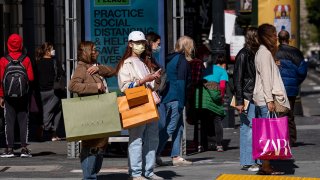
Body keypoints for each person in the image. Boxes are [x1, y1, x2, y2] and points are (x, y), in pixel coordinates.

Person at [117, 31, 163, 180]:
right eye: (137, 43)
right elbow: (124, 87)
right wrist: (144, 80)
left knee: (152, 138)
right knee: (136, 139)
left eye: (142, 43)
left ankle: (148, 170)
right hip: (136, 103)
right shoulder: (126, 63)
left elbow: (152, 85)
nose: (141, 46)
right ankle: (136, 173)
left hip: (149, 103)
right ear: (130, 44)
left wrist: (155, 79)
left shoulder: (143, 62)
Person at [69, 41, 115, 180]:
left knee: (100, 145)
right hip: (90, 111)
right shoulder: (82, 68)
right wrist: (95, 86)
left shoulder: (94, 66)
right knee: (91, 146)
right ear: (87, 52)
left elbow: (113, 71)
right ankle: (89, 177)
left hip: (100, 110)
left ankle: (91, 174)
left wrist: (99, 69)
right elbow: (73, 86)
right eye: (94, 50)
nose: (97, 52)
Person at [253, 24, 290, 175]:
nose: (276, 37)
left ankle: (266, 165)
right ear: (267, 36)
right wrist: (269, 100)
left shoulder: (264, 53)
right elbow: (266, 79)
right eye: (273, 34)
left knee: (266, 133)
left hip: (262, 97)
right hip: (265, 98)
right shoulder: (264, 54)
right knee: (267, 134)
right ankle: (266, 166)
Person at [156, 36, 193, 166]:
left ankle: (176, 156)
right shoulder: (182, 61)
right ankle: (154, 153)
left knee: (178, 127)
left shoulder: (171, 58)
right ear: (187, 47)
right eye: (191, 46)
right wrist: (182, 102)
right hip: (176, 97)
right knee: (170, 128)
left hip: (167, 96)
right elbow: (181, 82)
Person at [0, 34, 34, 158]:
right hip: (23, 96)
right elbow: (30, 78)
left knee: (8, 122)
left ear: (8, 44)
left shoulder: (3, 60)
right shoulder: (26, 59)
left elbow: (1, 80)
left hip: (8, 97)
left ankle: (9, 149)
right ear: (20, 44)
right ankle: (24, 148)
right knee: (23, 121)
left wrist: (1, 96)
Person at [233, 27, 260, 171]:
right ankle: (248, 161)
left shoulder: (257, 53)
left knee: (255, 128)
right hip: (247, 96)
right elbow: (237, 79)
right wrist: (239, 101)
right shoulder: (243, 54)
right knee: (247, 128)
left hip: (256, 95)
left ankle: (257, 160)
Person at [276, 30, 308, 146]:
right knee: (290, 114)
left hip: (279, 89)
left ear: (278, 39)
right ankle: (291, 139)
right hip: (292, 89)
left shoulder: (275, 52)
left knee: (281, 114)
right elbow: (303, 71)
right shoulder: (297, 53)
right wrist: (295, 82)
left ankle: (282, 139)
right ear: (288, 38)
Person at [35, 42, 63, 141]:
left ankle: (53, 134)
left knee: (47, 110)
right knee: (54, 111)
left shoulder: (37, 62)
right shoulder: (55, 62)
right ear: (47, 51)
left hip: (40, 91)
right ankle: (45, 127)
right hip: (53, 91)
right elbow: (62, 74)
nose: (53, 51)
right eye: (52, 49)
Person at [200, 54, 228, 152]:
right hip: (214, 96)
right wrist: (221, 96)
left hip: (203, 97)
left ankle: (203, 145)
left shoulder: (208, 69)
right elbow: (223, 85)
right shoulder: (223, 71)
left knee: (205, 121)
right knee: (217, 119)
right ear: (223, 64)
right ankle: (219, 144)